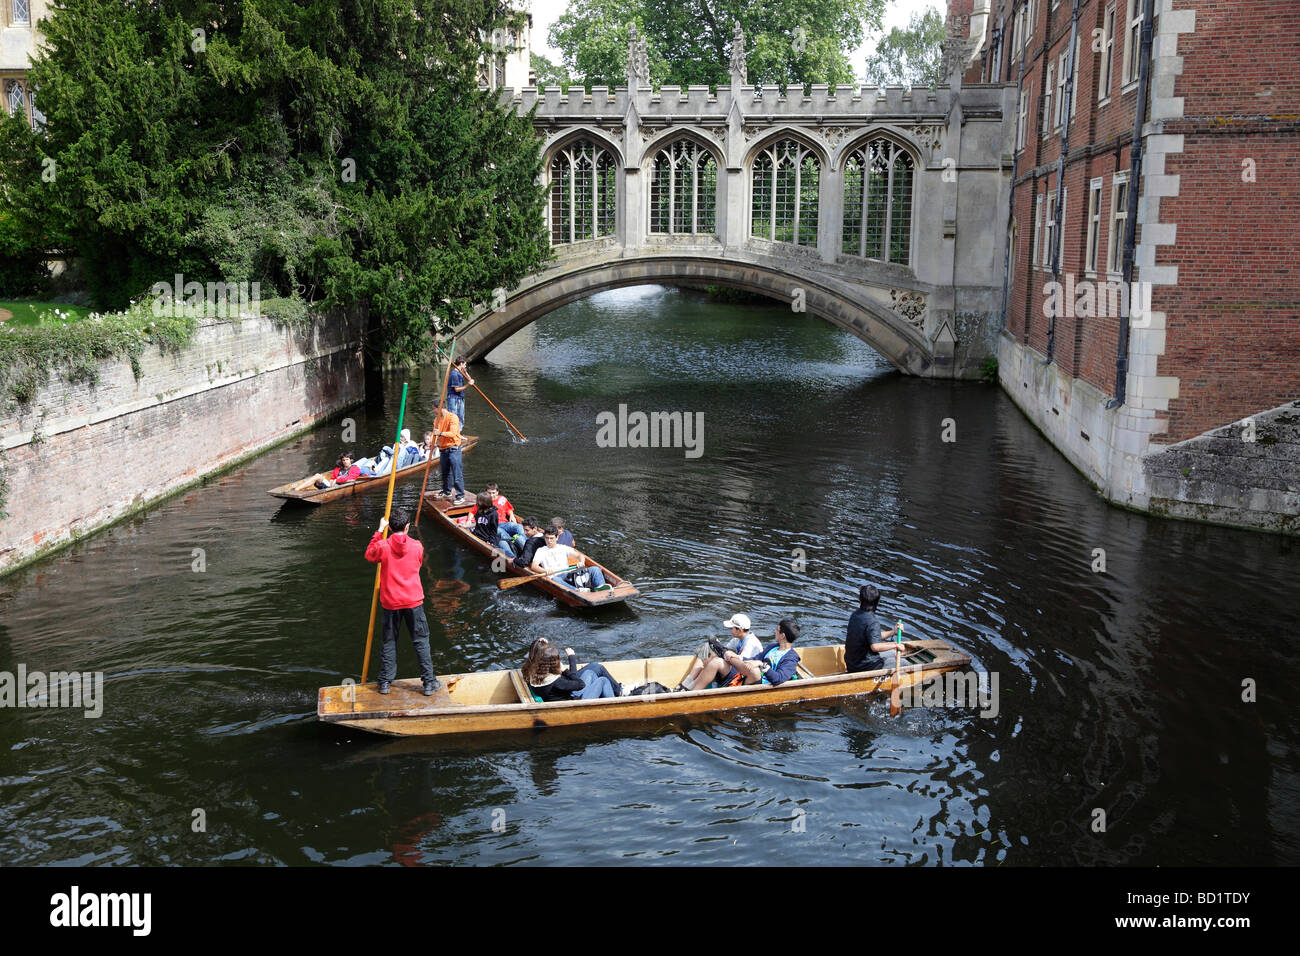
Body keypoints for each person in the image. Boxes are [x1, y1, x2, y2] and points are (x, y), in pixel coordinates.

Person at [363, 507, 441, 696]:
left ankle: (384, 683)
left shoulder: (382, 546)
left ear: (390, 528)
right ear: (407, 527)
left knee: (389, 642)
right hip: (413, 601)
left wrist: (379, 531)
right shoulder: (417, 546)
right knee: (421, 641)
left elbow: (369, 555)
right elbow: (418, 563)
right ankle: (429, 683)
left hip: (391, 603)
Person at [677, 612, 765, 691]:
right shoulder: (737, 639)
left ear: (740, 630)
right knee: (706, 649)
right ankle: (685, 684)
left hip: (745, 674)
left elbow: (742, 663)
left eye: (731, 628)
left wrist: (724, 653)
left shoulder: (751, 643)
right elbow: (725, 648)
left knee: (717, 662)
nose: (730, 630)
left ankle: (692, 691)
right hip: (736, 668)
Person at [521, 638, 625, 701]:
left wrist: (541, 643)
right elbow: (580, 684)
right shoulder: (556, 682)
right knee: (603, 680)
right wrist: (567, 667)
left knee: (590, 673)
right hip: (576, 701)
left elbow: (534, 652)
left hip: (566, 694)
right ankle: (614, 703)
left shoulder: (535, 672)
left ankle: (612, 693)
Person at [529, 526, 607, 591]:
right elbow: (534, 566)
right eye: (547, 538)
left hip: (569, 574)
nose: (549, 541)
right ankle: (576, 591)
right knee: (555, 580)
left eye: (551, 538)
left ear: (557, 537)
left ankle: (602, 588)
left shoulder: (563, 548)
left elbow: (580, 556)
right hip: (556, 577)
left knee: (595, 569)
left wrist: (581, 562)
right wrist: (545, 571)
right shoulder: (541, 550)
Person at [845, 584, 900, 673]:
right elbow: (875, 647)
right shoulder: (872, 621)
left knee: (892, 653)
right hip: (864, 667)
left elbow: (873, 636)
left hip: (851, 664)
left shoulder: (855, 615)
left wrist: (893, 632)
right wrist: (896, 645)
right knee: (904, 662)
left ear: (860, 600)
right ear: (877, 603)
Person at [731, 618, 802, 686]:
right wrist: (738, 658)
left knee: (754, 671)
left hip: (765, 686)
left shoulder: (791, 658)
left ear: (782, 636)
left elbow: (778, 679)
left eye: (777, 630)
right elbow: (755, 658)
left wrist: (762, 665)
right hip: (754, 679)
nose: (775, 631)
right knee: (725, 660)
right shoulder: (773, 647)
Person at [431, 399, 467, 504]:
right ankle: (447, 491)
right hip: (443, 449)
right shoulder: (436, 420)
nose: (433, 411)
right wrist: (433, 443)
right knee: (445, 473)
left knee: (457, 473)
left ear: (439, 407)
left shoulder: (453, 417)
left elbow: (453, 433)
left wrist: (440, 433)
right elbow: (435, 433)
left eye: (434, 408)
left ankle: (460, 496)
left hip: (453, 449)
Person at [486, 482, 525, 554]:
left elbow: (509, 509)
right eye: (489, 493)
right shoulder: (484, 501)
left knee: (519, 526)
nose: (491, 495)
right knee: (501, 532)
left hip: (505, 523)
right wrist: (469, 520)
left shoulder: (502, 499)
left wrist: (511, 515)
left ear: (497, 492)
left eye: (493, 493)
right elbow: (473, 512)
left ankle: (525, 545)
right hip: (494, 526)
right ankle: (513, 546)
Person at [446, 358, 473, 428]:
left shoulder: (461, 372)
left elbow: (469, 379)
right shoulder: (454, 374)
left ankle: (458, 433)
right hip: (453, 398)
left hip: (460, 398)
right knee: (453, 417)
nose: (465, 366)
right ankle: (453, 434)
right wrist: (467, 385)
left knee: (461, 416)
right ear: (461, 364)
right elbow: (457, 389)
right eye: (465, 365)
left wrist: (465, 372)